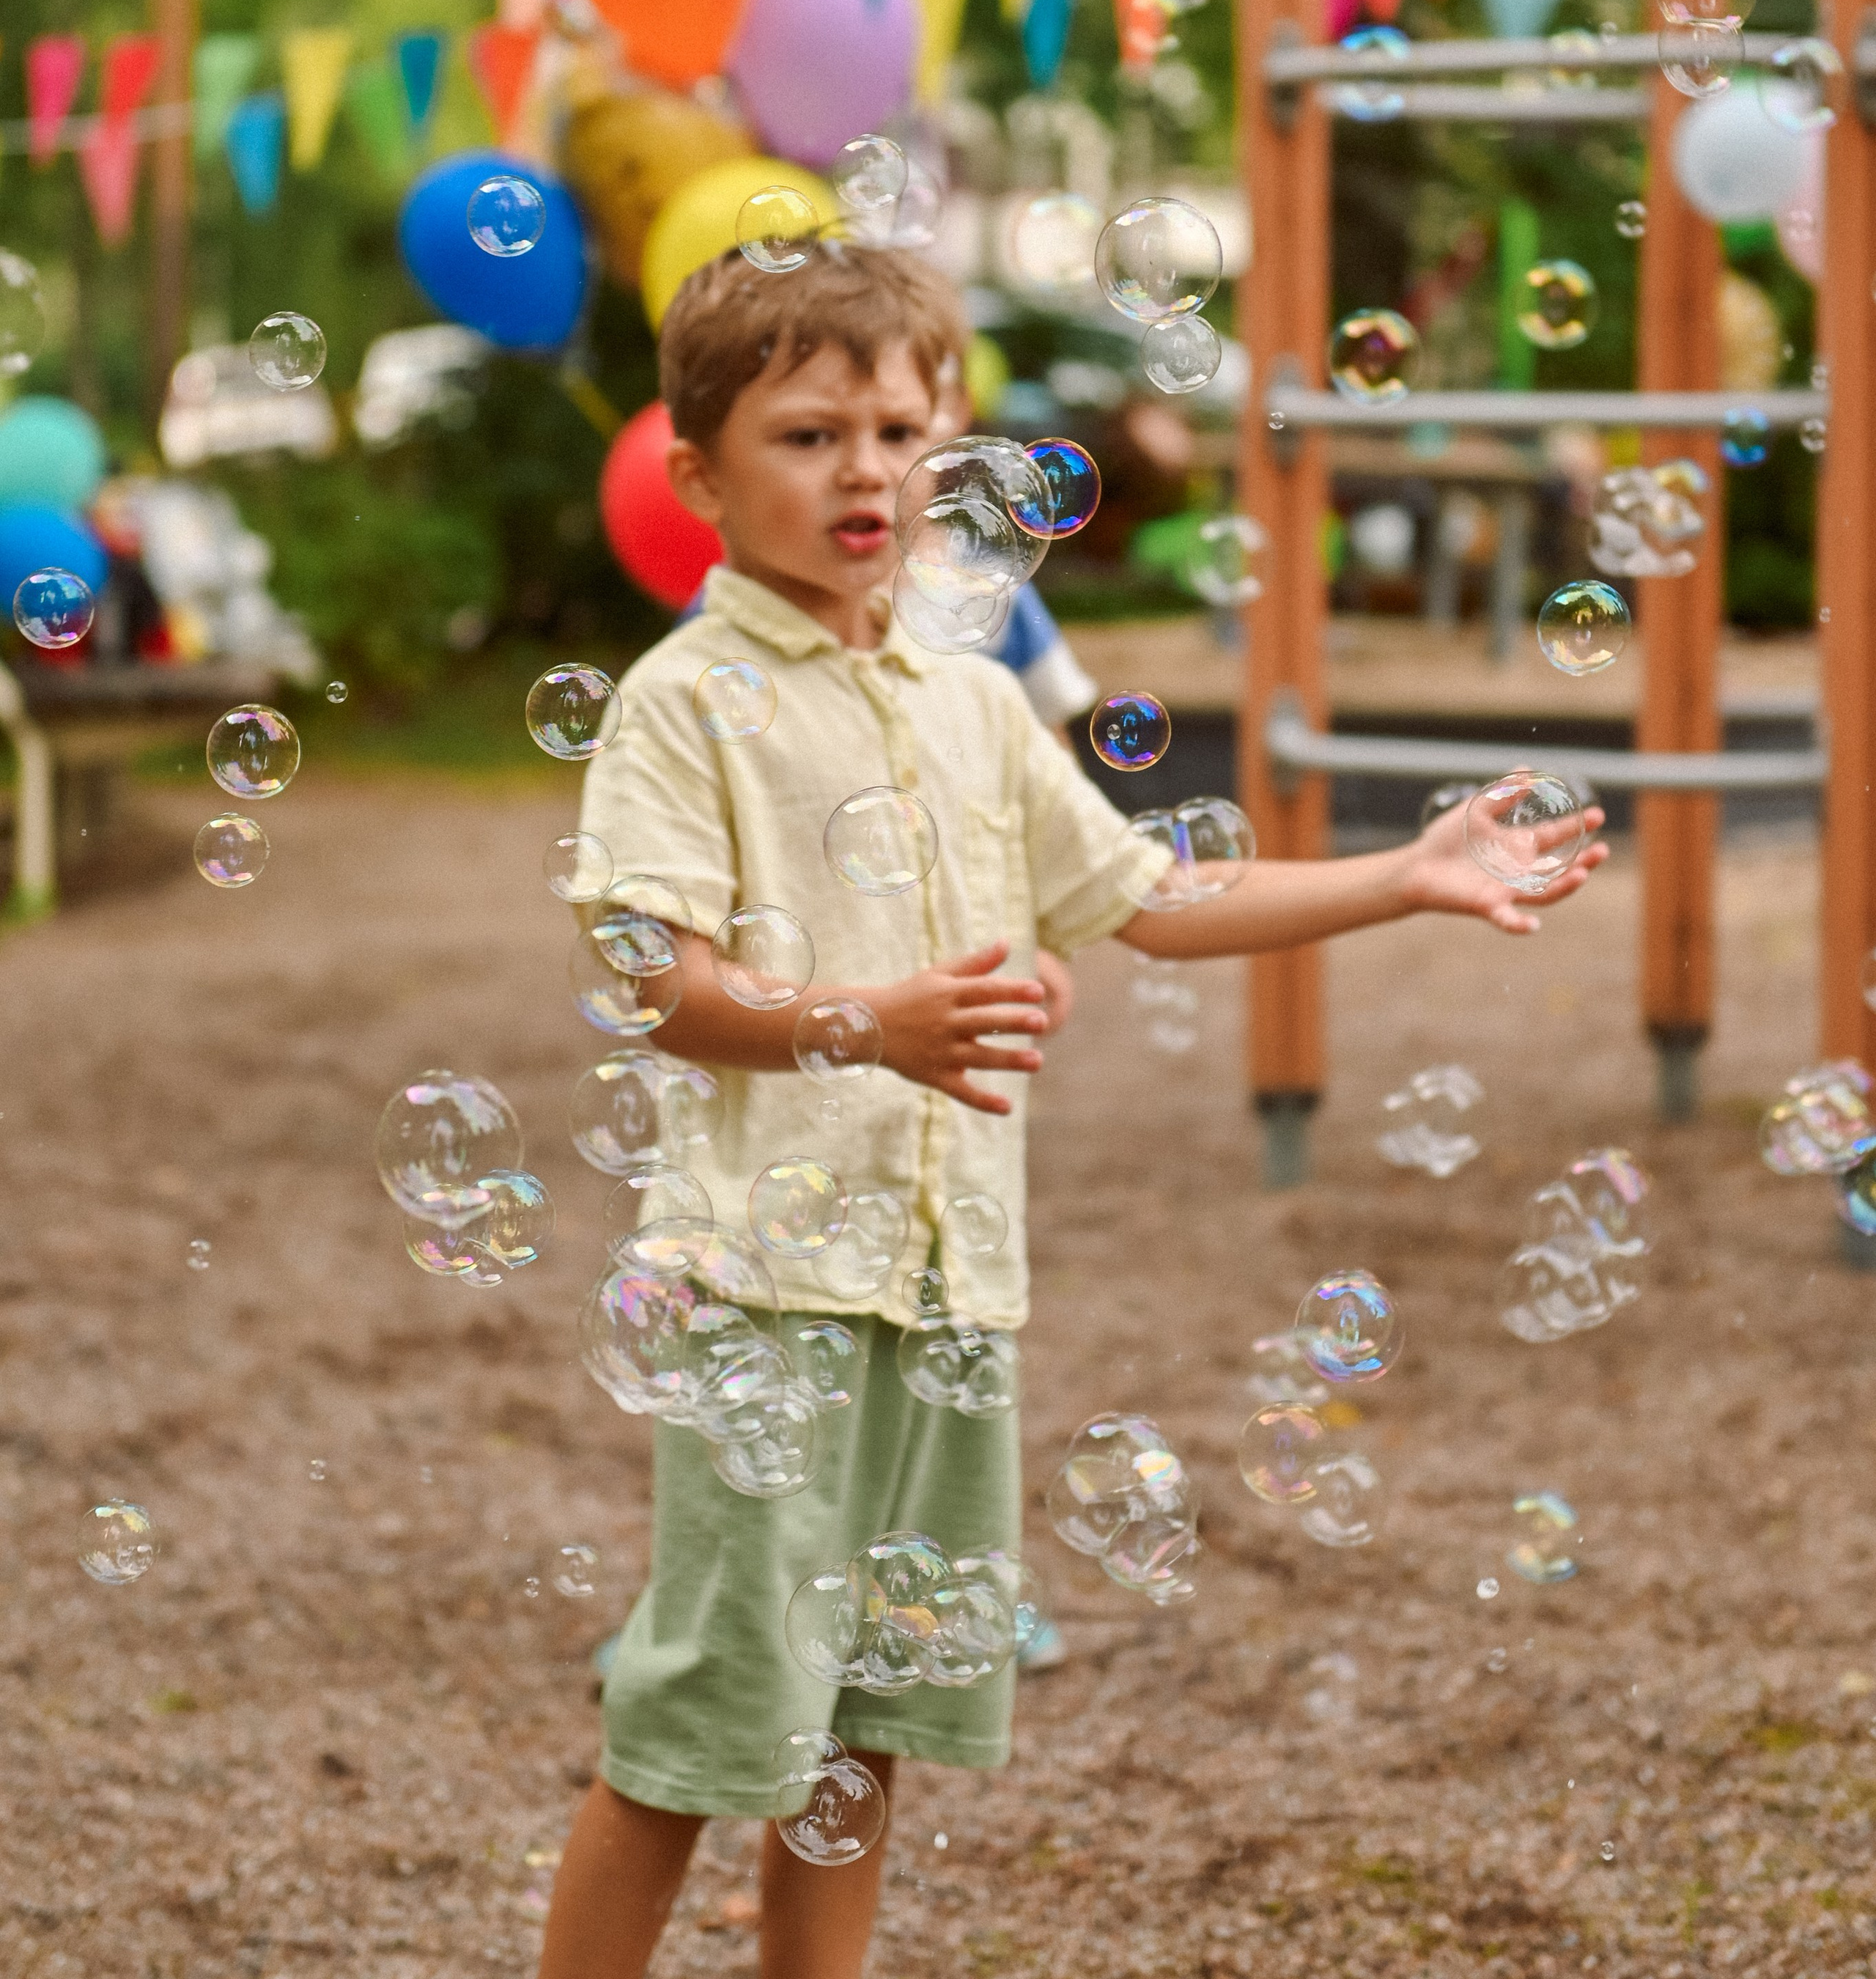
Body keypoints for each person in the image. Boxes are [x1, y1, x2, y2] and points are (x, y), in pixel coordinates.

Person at [540, 240, 1604, 1979]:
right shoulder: (680, 708)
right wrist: (868, 1024)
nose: (866, 468)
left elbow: (1149, 894)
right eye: (808, 435)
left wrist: (1403, 874)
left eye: (897, 427)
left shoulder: (968, 700)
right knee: (698, 1728)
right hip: (767, 1300)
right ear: (698, 474)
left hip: (951, 1295)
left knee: (867, 1722)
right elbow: (655, 980)